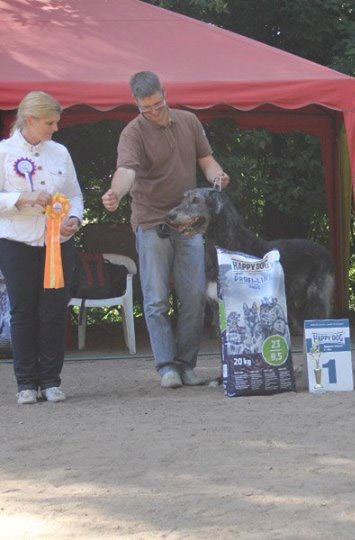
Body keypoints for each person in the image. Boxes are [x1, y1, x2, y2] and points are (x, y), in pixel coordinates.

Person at [102, 71, 229, 389]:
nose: (155, 112)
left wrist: (218, 176)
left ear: (165, 94)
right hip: (150, 222)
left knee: (195, 295)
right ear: (137, 105)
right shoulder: (132, 133)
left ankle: (187, 364)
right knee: (156, 299)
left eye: (158, 104)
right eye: (147, 108)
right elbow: (126, 171)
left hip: (189, 222)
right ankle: (166, 367)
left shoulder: (189, 121)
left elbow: (207, 161)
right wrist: (116, 193)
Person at [0, 91, 83, 404]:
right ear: (30, 120)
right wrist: (20, 199)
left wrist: (73, 219)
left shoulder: (59, 152)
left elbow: (75, 195)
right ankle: (25, 383)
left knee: (54, 312)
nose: (55, 128)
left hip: (58, 244)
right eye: (50, 122)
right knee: (23, 312)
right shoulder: (5, 152)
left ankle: (51, 381)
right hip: (16, 243)